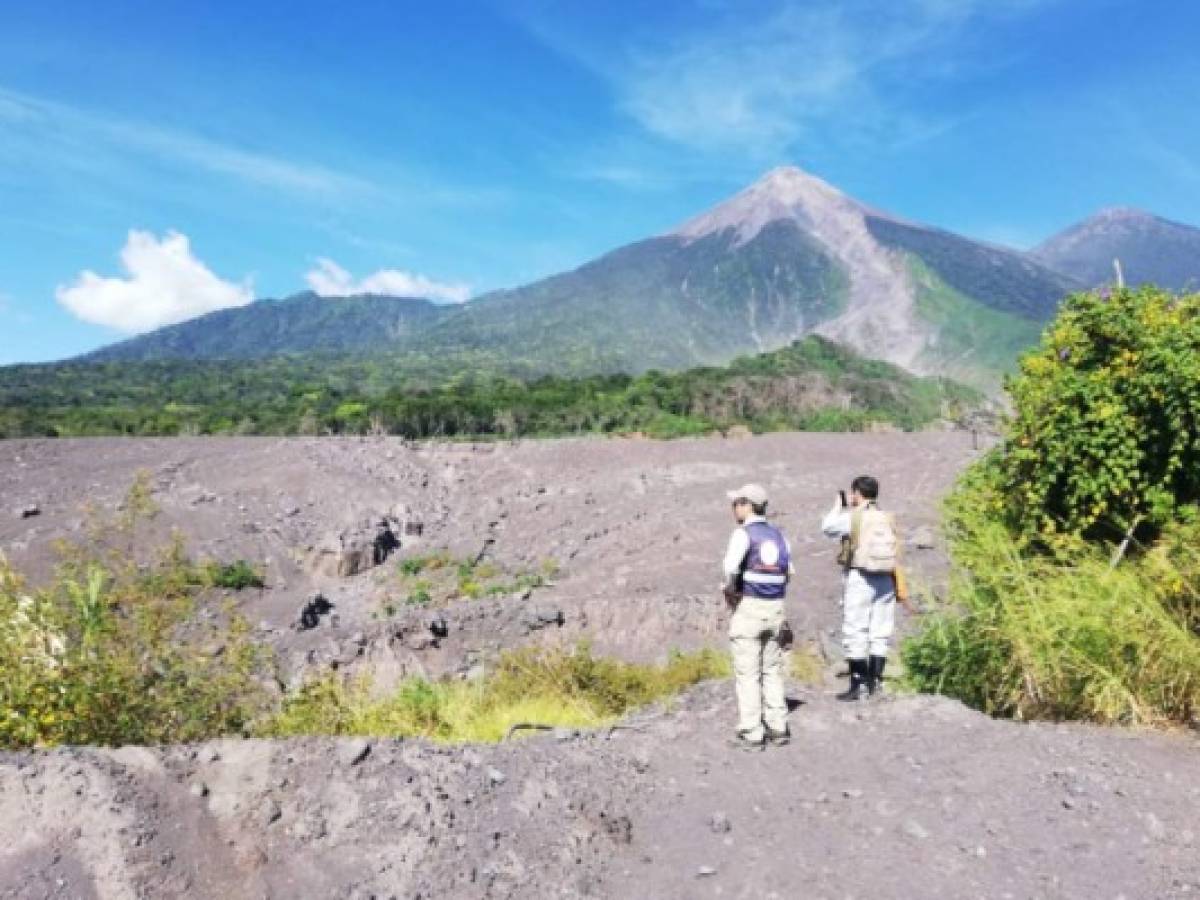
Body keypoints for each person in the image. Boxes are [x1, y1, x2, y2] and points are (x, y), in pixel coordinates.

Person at [821, 475, 912, 701]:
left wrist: (837, 507)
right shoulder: (887, 517)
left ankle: (858, 686)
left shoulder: (854, 518)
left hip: (860, 577)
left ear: (857, 494)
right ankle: (876, 683)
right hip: (886, 578)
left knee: (856, 630)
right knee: (880, 632)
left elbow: (827, 528)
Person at [721, 483, 792, 750]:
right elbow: (788, 572)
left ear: (747, 505)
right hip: (775, 606)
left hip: (750, 607)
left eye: (737, 503)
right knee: (772, 670)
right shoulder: (779, 536)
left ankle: (752, 732)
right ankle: (778, 726)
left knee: (747, 672)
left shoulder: (743, 535)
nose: (733, 508)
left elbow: (729, 569)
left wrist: (730, 590)